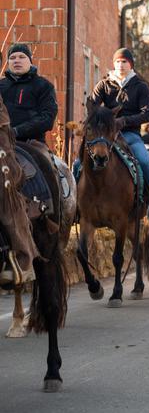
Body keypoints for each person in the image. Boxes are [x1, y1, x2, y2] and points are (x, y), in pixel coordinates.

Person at [0, 43, 58, 284]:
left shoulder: (43, 86)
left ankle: (53, 207)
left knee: (46, 168)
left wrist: (17, 130)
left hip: (32, 142)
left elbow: (48, 118)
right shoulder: (1, 86)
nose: (16, 60)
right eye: (13, 57)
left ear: (30, 61)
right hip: (3, 144)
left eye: (22, 56)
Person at [90, 48, 149, 220]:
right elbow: (93, 107)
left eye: (124, 61)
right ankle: (78, 202)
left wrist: (124, 121)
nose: (121, 65)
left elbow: (147, 114)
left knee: (144, 160)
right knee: (80, 162)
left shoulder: (140, 86)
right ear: (113, 64)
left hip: (130, 134)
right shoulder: (103, 84)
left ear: (131, 64)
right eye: (117, 61)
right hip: (105, 135)